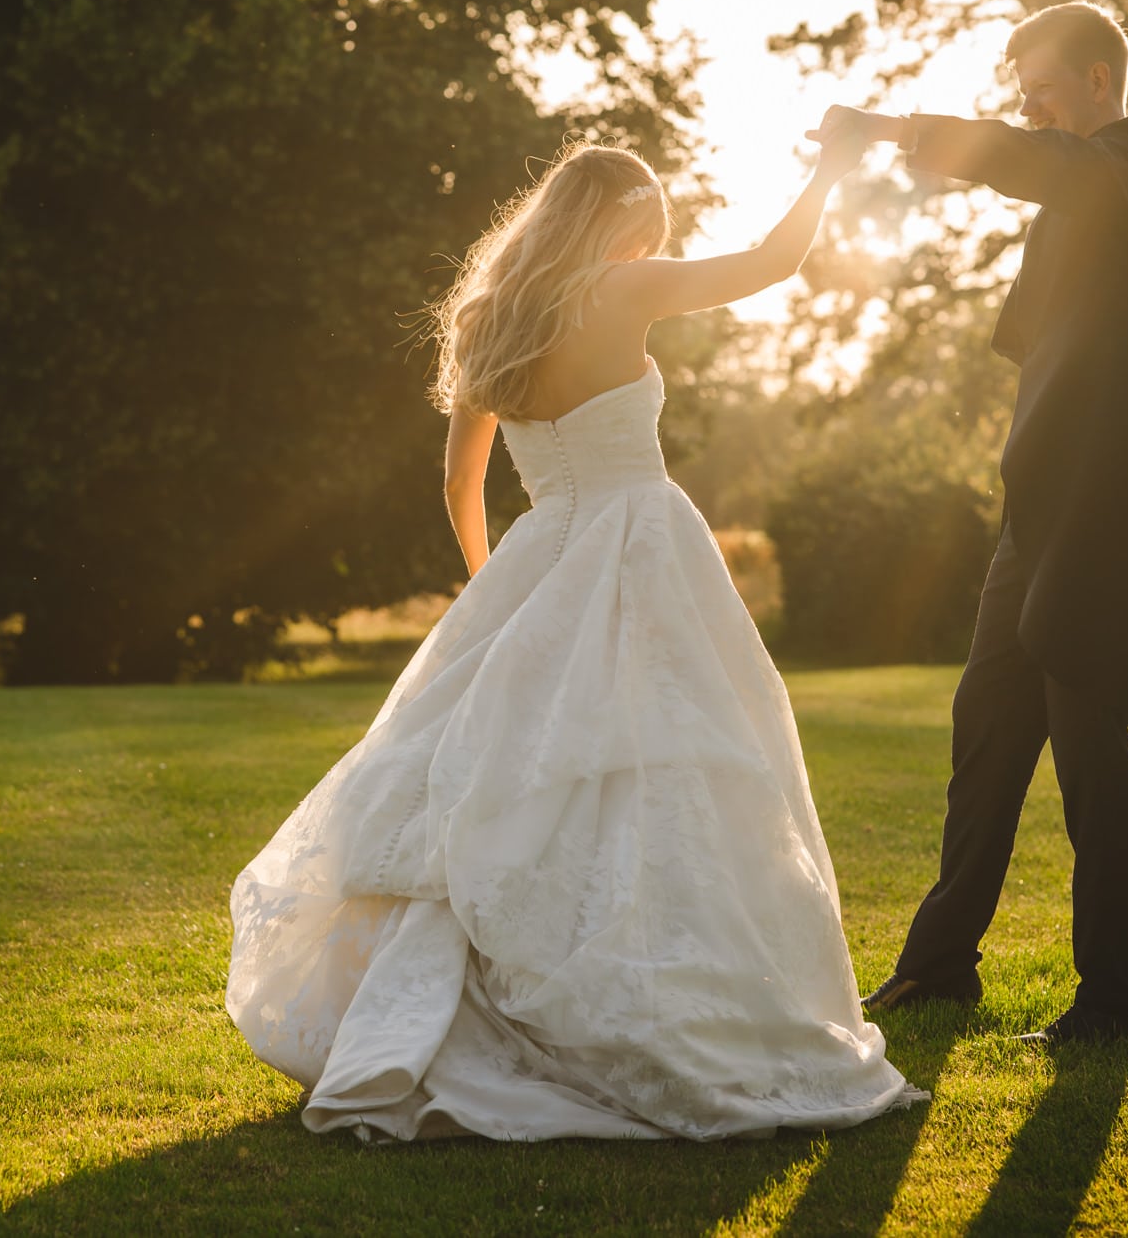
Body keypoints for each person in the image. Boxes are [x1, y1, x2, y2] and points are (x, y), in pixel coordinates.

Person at [224, 134, 925, 1141]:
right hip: (640, 541)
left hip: (542, 548)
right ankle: (667, 1002)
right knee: (673, 761)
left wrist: (497, 594)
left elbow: (457, 482)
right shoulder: (622, 288)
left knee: (520, 775)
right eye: (650, 227)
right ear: (622, 221)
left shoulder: (489, 315)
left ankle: (488, 998)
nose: (654, 243)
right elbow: (774, 263)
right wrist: (830, 165)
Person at [813, 1, 1128, 1044]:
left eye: (1038, 87)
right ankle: (940, 967)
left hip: (1104, 517)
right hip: (1035, 518)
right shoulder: (1087, 191)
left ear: (1094, 78)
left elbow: (1035, 165)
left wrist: (896, 129)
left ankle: (1115, 998)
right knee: (984, 736)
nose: (1026, 107)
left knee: (1088, 756)